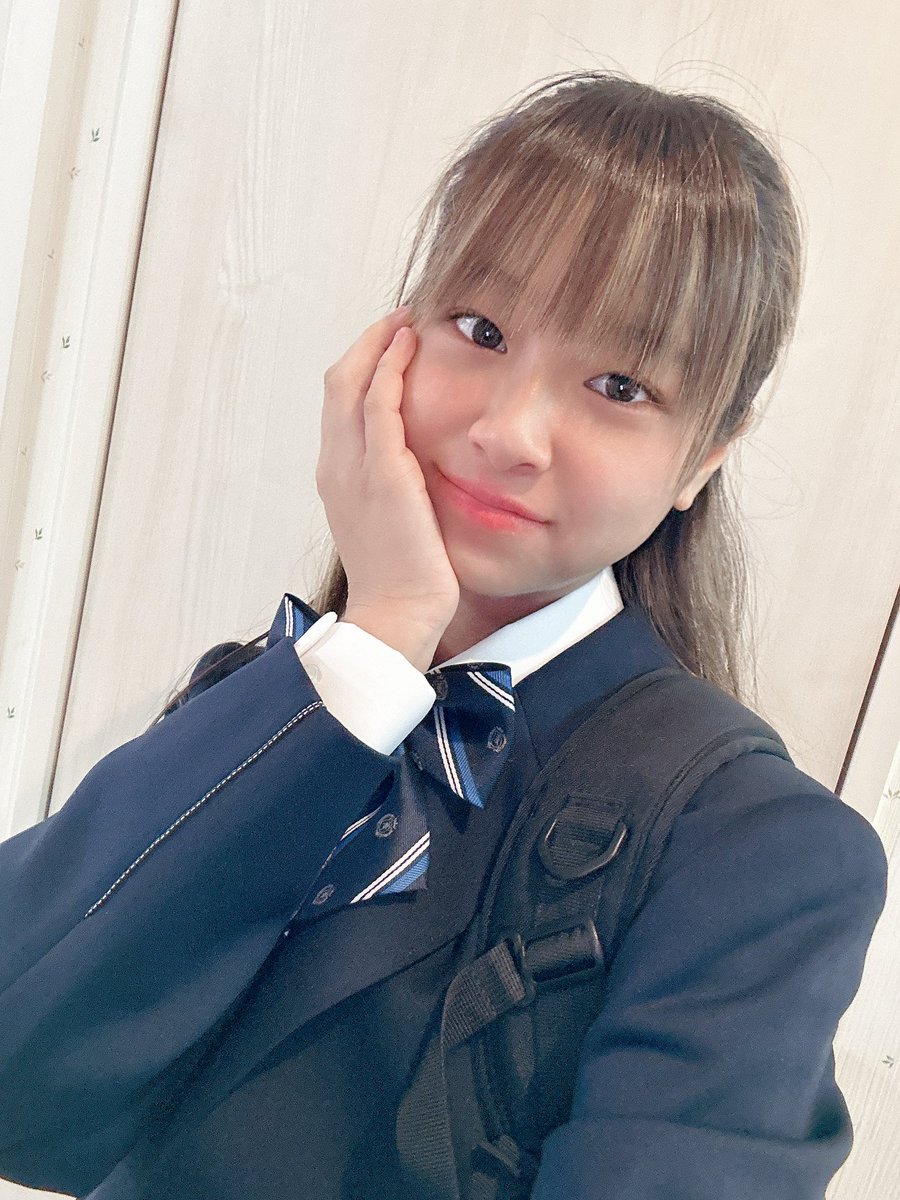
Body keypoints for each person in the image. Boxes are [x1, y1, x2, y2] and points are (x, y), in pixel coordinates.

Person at [0, 70, 888, 1200]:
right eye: (482, 329)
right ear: (392, 342)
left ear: (704, 457)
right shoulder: (272, 697)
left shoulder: (755, 852)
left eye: (620, 384)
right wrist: (378, 642)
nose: (510, 431)